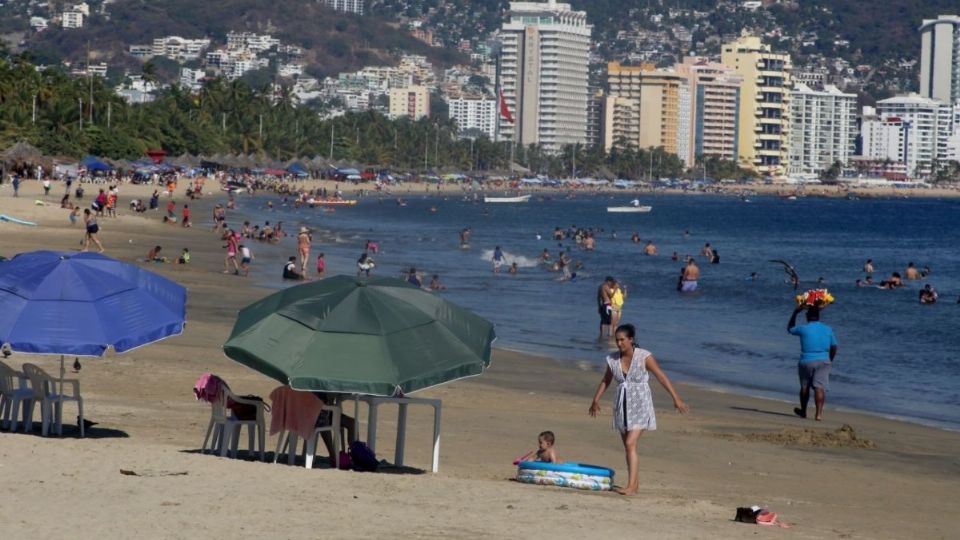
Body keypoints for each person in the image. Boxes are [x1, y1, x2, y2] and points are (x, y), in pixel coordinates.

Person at [589, 324, 688, 495]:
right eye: (617, 340)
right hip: (622, 405)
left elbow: (661, 377)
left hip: (641, 404)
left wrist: (676, 399)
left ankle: (631, 486)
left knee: (630, 443)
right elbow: (606, 380)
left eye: (622, 340)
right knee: (629, 447)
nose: (619, 343)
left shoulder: (644, 357)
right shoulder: (612, 359)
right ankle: (634, 485)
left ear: (631, 340)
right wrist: (595, 400)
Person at [787, 305, 837, 421]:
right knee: (820, 387)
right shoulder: (828, 329)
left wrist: (795, 312)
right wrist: (830, 360)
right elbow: (834, 346)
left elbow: (790, 328)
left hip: (806, 360)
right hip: (824, 361)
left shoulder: (803, 328)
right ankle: (818, 414)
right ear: (819, 316)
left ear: (807, 316)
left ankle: (803, 411)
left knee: (805, 386)